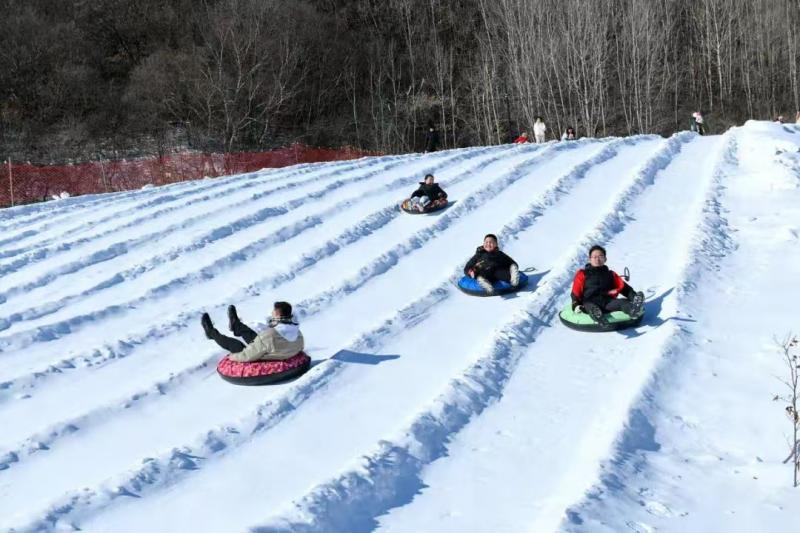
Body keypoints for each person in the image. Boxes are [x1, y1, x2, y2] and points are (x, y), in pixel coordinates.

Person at [201, 301, 304, 362]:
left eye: (273, 311)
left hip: (266, 357)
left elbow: (247, 356)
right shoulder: (298, 333)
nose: (271, 312)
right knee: (255, 338)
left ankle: (211, 333)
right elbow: (300, 347)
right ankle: (236, 326)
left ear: (277, 315)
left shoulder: (271, 335)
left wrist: (232, 357)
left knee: (236, 345)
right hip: (277, 350)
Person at [570, 245, 644, 326]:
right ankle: (600, 318)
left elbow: (625, 289)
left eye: (600, 256)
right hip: (590, 302)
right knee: (590, 306)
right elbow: (575, 292)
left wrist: (634, 297)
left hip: (608, 302)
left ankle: (633, 311)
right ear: (590, 259)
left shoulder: (611, 274)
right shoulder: (582, 273)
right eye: (594, 257)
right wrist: (576, 305)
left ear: (605, 259)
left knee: (622, 302)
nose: (597, 259)